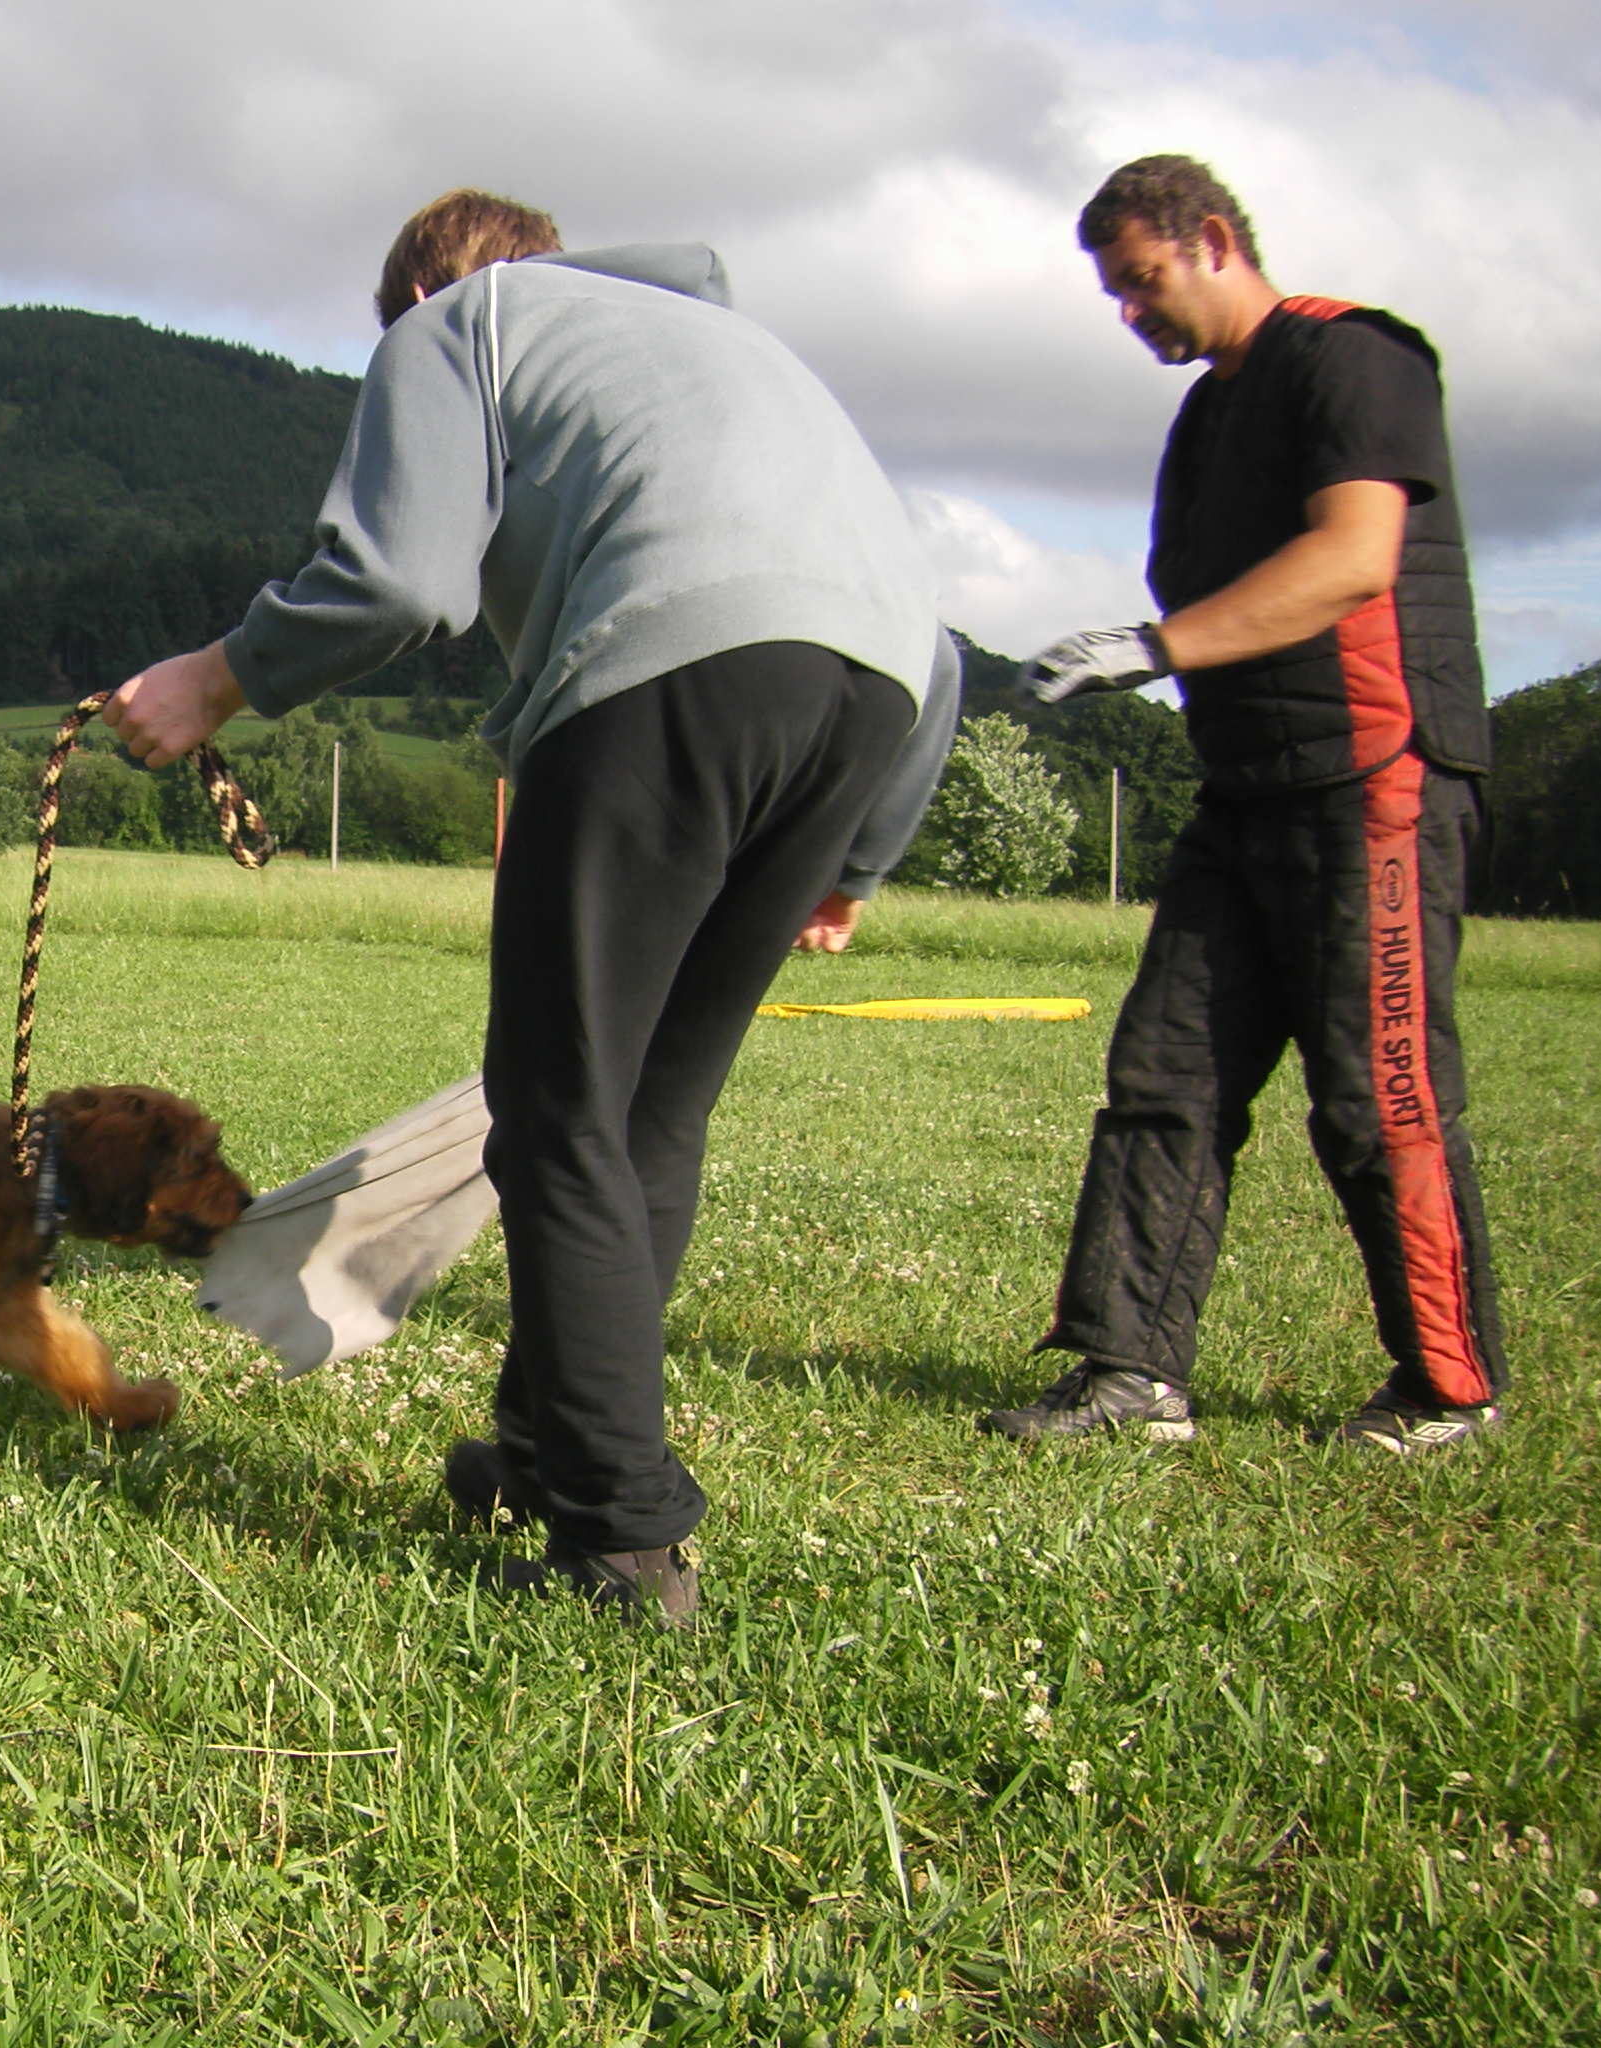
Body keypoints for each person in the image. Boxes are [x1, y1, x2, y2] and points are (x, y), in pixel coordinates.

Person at [104, 190, 958, 1622]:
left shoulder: (461, 325)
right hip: (865, 701)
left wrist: (213, 679)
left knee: (559, 1110)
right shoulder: (723, 351)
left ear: (417, 298)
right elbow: (936, 654)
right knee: (648, 1115)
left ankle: (623, 1540)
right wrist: (850, 859)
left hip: (661, 676)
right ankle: (550, 1448)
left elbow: (397, 578)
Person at [982, 155, 1504, 1453]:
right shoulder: (1205, 418)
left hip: (1372, 781)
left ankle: (1449, 1385)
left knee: (1376, 1096)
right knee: (1166, 1075)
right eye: (1113, 294)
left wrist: (1155, 647)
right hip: (1246, 789)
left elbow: (1352, 557)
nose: (1130, 314)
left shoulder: (1351, 360)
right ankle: (1130, 1374)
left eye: (1141, 281)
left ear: (1211, 239)